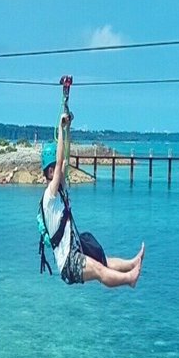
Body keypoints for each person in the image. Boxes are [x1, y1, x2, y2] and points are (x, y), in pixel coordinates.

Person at [38, 111, 144, 288]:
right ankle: (129, 279)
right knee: (99, 270)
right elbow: (59, 162)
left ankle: (131, 264)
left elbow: (64, 159)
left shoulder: (61, 191)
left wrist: (68, 130)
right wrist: (60, 127)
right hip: (68, 263)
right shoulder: (49, 197)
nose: (59, 171)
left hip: (75, 250)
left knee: (104, 261)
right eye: (54, 170)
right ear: (50, 171)